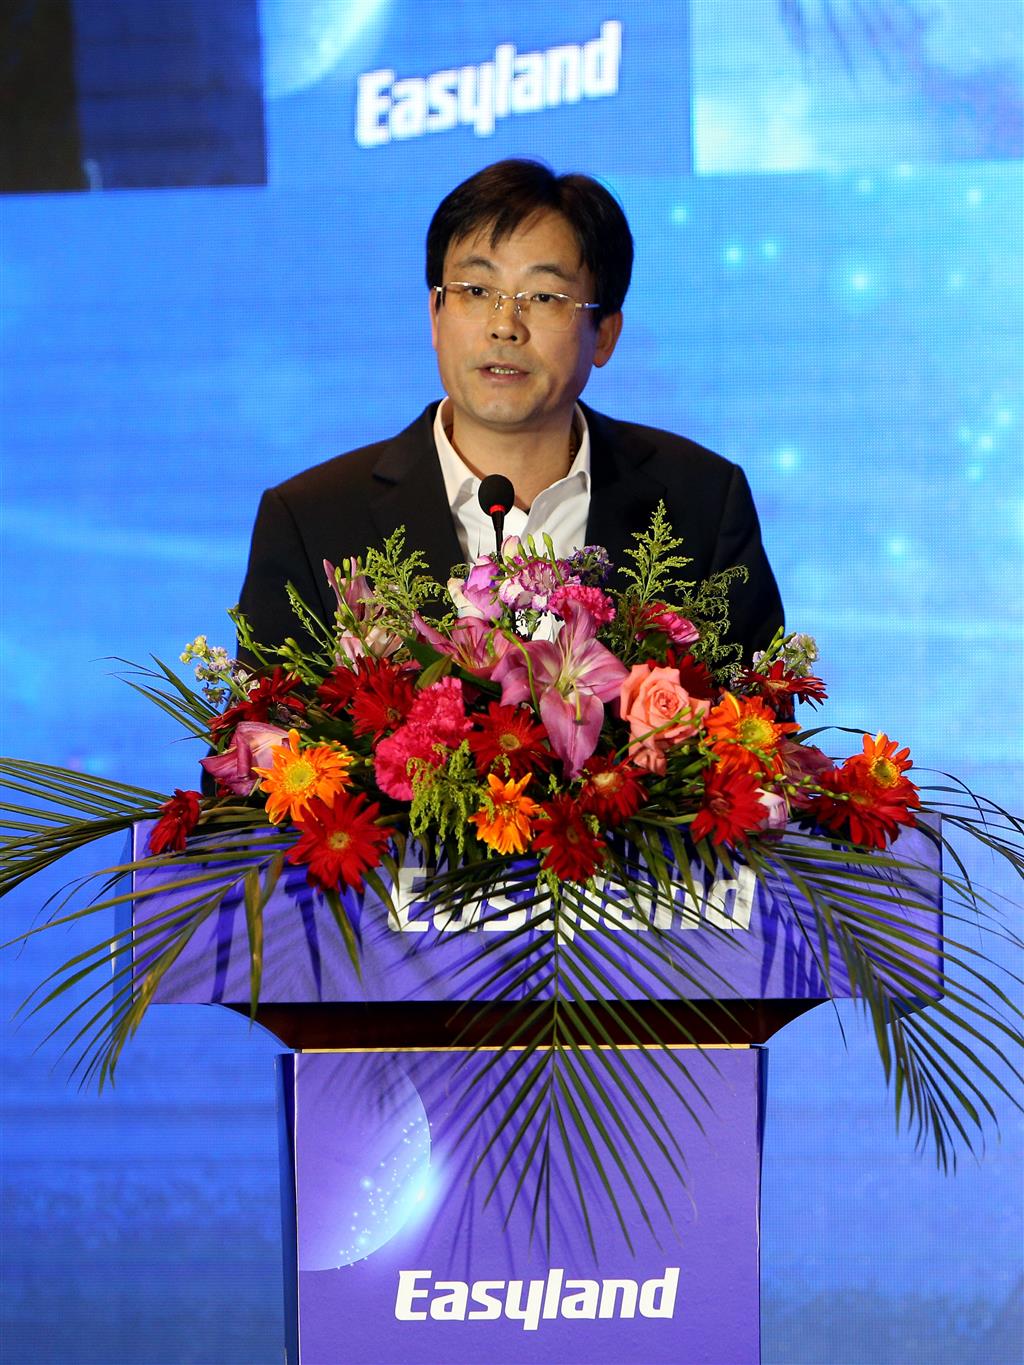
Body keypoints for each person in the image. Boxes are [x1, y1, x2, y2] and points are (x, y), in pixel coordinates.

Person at [238, 158, 782, 659]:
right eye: (476, 290)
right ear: (435, 313)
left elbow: (757, 724)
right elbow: (263, 734)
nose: (505, 325)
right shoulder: (313, 520)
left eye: (544, 297)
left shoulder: (702, 503)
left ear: (605, 334)